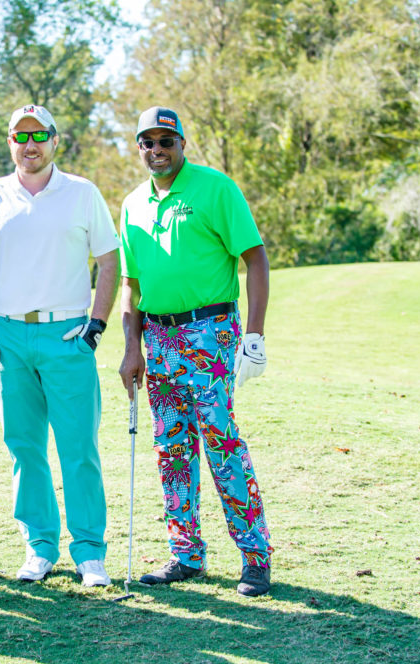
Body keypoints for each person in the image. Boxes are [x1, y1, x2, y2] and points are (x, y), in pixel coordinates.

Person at [0, 104, 120, 587]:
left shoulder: (82, 193)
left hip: (67, 335)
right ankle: (40, 547)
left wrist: (97, 325)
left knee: (78, 447)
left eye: (39, 136)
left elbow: (109, 261)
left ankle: (89, 551)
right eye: (20, 136)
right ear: (10, 142)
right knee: (24, 447)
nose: (30, 145)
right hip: (7, 337)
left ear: (54, 140)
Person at [118, 106, 274, 597]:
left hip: (210, 332)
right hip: (157, 338)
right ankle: (186, 555)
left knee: (221, 444)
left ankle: (255, 557)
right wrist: (131, 348)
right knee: (172, 449)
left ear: (182, 143)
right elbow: (130, 283)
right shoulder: (133, 204)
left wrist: (254, 335)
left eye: (166, 141)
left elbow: (255, 259)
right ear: (139, 147)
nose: (157, 150)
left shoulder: (215, 188)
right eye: (148, 142)